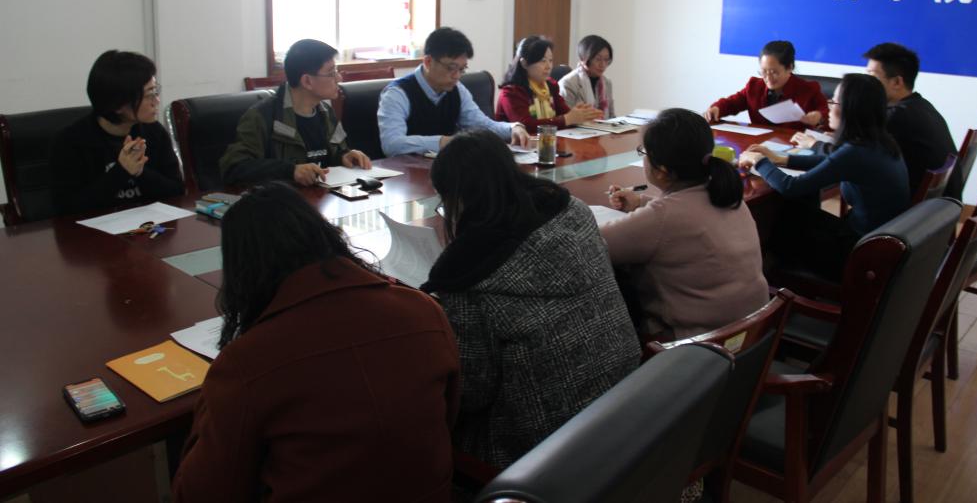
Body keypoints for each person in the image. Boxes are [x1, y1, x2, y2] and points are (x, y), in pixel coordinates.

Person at [173, 182, 460, 503]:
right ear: (325, 236)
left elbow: (200, 494)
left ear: (242, 271)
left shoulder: (247, 362)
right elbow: (447, 420)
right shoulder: (424, 311)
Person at [422, 130, 639, 469]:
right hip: (624, 401)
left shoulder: (466, 276)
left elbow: (471, 392)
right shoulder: (573, 211)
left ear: (459, 200)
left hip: (540, 447)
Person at [602, 109, 768, 340]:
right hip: (753, 335)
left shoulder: (662, 217)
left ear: (662, 171)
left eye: (644, 152)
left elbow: (593, 244)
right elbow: (687, 216)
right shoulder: (727, 194)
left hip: (698, 348)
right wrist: (640, 202)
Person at [740, 73, 910, 281]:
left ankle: (774, 279)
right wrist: (781, 159)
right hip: (877, 241)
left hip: (860, 253)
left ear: (850, 109)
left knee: (783, 216)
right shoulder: (878, 141)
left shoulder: (856, 151)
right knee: (794, 210)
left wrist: (759, 161)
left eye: (834, 101)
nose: (828, 105)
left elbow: (790, 186)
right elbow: (831, 162)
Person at [219, 39, 371, 187]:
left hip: (322, 196)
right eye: (331, 73)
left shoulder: (326, 112)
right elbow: (234, 168)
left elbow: (328, 157)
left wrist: (344, 156)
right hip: (281, 200)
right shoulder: (261, 117)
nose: (339, 78)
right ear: (307, 81)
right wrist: (290, 171)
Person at [50, 50, 184, 215]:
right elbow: (67, 209)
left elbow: (177, 191)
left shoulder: (154, 131)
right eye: (149, 94)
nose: (156, 101)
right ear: (118, 104)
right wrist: (121, 171)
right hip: (95, 229)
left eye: (155, 91)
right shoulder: (70, 142)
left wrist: (140, 172)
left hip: (149, 224)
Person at [377, 26, 530, 156]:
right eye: (451, 68)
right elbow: (392, 144)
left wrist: (512, 128)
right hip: (407, 175)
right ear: (428, 62)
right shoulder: (397, 94)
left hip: (446, 169)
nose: (457, 76)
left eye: (462, 69)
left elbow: (481, 124)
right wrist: (441, 142)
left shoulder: (457, 90)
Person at [863, 42, 962, 200]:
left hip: (914, 212)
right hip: (939, 210)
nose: (866, 82)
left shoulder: (897, 116)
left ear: (897, 82)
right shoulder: (922, 106)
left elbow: (853, 156)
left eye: (872, 76)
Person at [704, 40, 828, 128]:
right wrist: (717, 108)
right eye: (763, 72)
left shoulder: (808, 89)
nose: (768, 78)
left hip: (794, 148)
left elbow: (828, 115)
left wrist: (819, 117)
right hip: (759, 145)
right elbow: (732, 103)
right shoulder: (754, 86)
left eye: (774, 72)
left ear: (789, 68)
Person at [495, 35, 603, 133]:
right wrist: (567, 119)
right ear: (524, 63)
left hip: (547, 142)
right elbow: (525, 125)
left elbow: (564, 114)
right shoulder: (511, 92)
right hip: (517, 146)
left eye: (550, 60)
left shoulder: (550, 86)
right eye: (542, 61)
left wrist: (578, 114)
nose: (548, 66)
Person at [558, 34, 615, 117]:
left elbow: (612, 117)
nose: (602, 64)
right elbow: (566, 118)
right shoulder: (568, 83)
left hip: (603, 125)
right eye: (598, 59)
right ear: (584, 58)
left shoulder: (607, 83)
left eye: (606, 60)